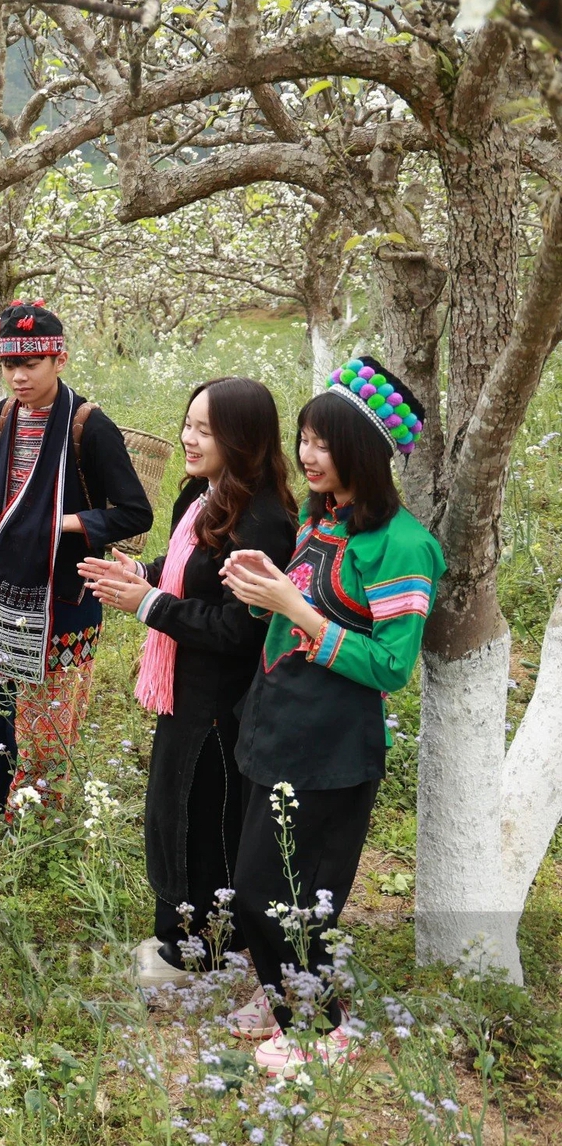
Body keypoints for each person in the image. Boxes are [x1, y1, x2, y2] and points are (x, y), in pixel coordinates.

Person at [219, 356, 441, 1074]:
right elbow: (296, 609)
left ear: (366, 453)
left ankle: (320, 1026)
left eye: (325, 442)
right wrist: (263, 594)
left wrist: (295, 609)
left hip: (331, 746)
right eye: (306, 438)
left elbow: (392, 666)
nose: (308, 455)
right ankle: (281, 988)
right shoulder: (323, 518)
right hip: (278, 723)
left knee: (282, 889)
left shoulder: (403, 546)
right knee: (260, 879)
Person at [79, 378, 298, 986]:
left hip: (222, 705)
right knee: (172, 811)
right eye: (188, 423)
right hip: (184, 692)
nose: (188, 438)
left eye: (206, 429)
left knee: (206, 820)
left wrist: (149, 603)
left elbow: (238, 628)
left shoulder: (262, 521)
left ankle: (204, 950)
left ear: (242, 437)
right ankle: (178, 938)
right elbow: (187, 572)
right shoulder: (203, 497)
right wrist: (142, 572)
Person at [0, 300, 153, 819]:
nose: (18, 377)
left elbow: (135, 513)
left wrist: (65, 522)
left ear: (59, 360)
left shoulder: (89, 426)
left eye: (30, 364)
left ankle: (36, 805)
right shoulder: (1, 419)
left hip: (64, 592)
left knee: (50, 704)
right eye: (10, 365)